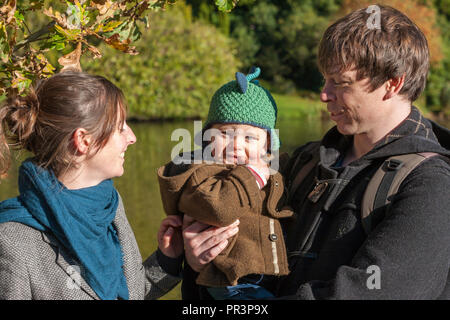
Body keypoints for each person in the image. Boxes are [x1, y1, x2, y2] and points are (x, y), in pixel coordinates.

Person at [181, 5, 450, 299]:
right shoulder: (304, 163)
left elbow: (373, 293)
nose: (324, 94)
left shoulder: (431, 184)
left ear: (392, 83)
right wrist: (205, 266)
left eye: (340, 82)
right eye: (325, 79)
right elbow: (254, 273)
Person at [0, 71, 185, 300]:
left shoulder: (110, 206)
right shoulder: (13, 240)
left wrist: (168, 259)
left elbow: (127, 293)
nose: (132, 137)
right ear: (84, 141)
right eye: (120, 128)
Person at [157, 67, 294, 299]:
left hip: (265, 278)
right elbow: (217, 208)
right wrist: (251, 177)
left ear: (268, 144)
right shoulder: (199, 173)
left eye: (249, 137)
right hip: (228, 281)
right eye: (224, 134)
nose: (236, 145)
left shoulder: (271, 169)